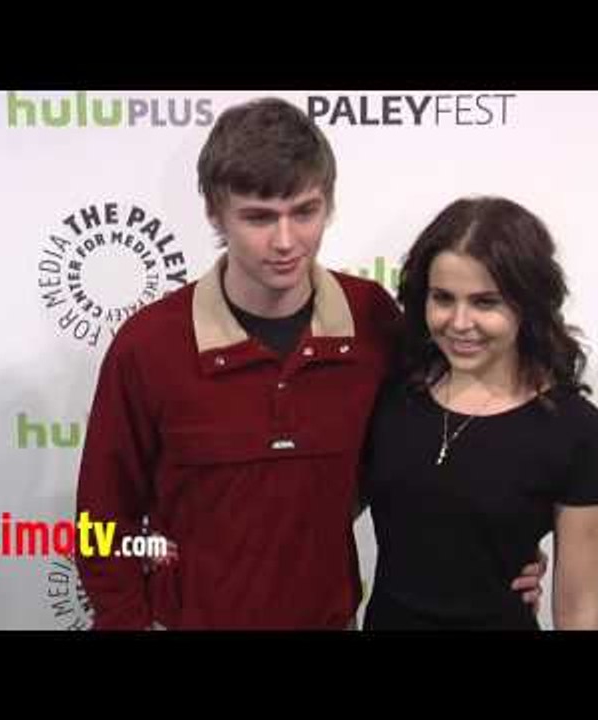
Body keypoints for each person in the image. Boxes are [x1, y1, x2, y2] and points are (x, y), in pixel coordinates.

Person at [75, 98, 544, 630]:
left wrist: (503, 548)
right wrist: (124, 621)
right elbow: (101, 515)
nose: (285, 241)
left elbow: (444, 443)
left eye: (305, 211)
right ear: (213, 212)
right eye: (257, 217)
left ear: (329, 204)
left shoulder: (374, 320)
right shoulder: (150, 344)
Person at [362, 196, 598, 631]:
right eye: (443, 298)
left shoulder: (576, 431)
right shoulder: (389, 392)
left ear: (528, 304)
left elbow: (578, 609)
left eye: (485, 302)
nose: (460, 322)